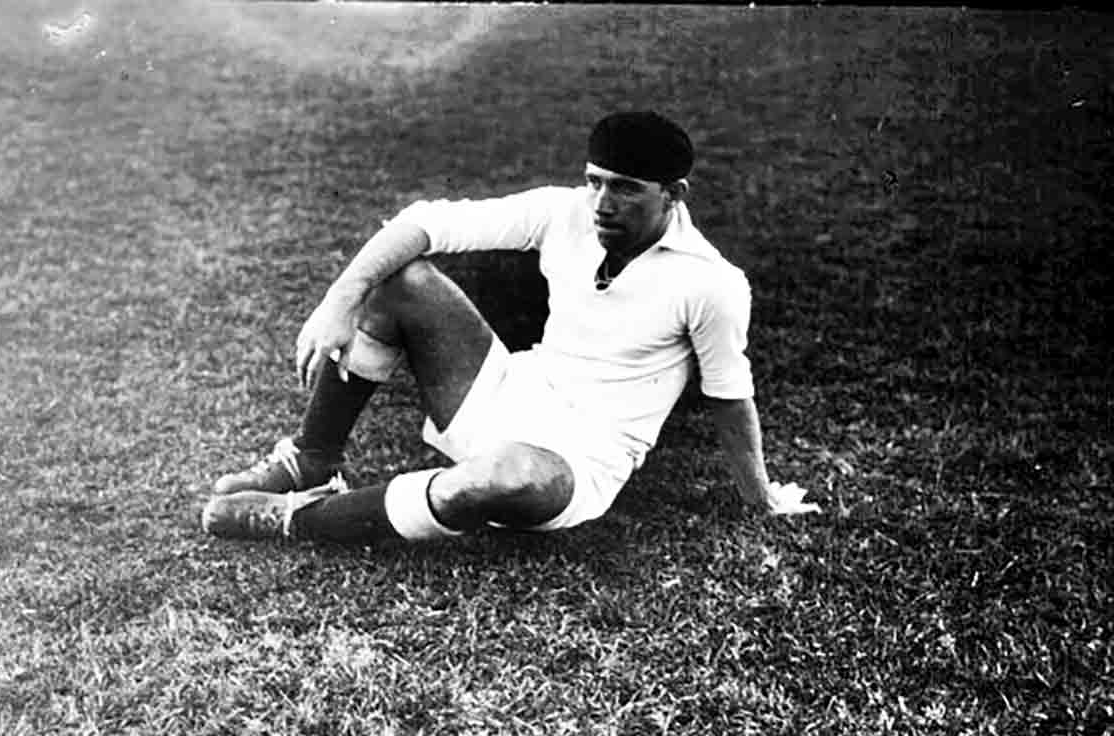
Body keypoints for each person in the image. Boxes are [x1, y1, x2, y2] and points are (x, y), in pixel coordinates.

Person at [201, 111, 820, 544]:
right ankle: (314, 459)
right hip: (512, 394)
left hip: (579, 457)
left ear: (674, 194)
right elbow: (429, 222)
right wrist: (341, 298)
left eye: (626, 190)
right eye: (595, 182)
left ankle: (297, 519)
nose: (602, 204)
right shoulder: (566, 212)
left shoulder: (712, 283)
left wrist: (760, 495)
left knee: (504, 475)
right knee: (400, 280)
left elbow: (728, 395)